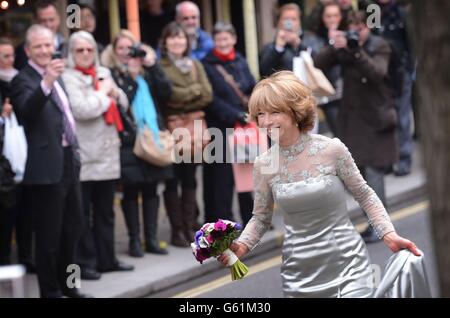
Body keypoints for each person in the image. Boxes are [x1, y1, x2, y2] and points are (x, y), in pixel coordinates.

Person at [218, 71, 421, 298]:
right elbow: (261, 218)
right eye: (260, 114)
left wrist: (388, 234)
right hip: (299, 275)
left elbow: (365, 195)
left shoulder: (332, 149)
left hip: (349, 266)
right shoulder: (264, 163)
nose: (265, 121)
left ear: (295, 112)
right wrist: (241, 246)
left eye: (274, 112)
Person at [10, 25, 89, 298]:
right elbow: (26, 112)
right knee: (48, 237)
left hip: (69, 160)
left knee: (73, 229)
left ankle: (70, 285)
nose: (45, 51)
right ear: (28, 50)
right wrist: (46, 82)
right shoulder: (23, 79)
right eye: (39, 47)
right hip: (45, 167)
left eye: (48, 45)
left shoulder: (59, 77)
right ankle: (50, 291)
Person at [314, 10, 399, 243]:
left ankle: (381, 225)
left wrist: (356, 51)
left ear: (367, 28)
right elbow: (318, 62)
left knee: (374, 172)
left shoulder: (379, 46)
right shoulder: (343, 48)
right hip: (352, 121)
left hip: (376, 118)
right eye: (351, 29)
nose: (355, 33)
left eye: (359, 29)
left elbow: (377, 73)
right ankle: (373, 221)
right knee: (358, 175)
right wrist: (335, 44)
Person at [62, 31, 134, 280]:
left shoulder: (103, 72)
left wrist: (115, 94)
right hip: (84, 155)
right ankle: (86, 263)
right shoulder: (68, 77)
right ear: (72, 53)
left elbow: (123, 102)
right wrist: (104, 94)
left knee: (106, 212)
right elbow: (82, 109)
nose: (85, 54)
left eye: (89, 49)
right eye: (79, 50)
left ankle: (108, 259)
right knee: (82, 214)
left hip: (107, 153)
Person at [101, 30, 172, 257]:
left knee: (152, 188)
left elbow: (166, 92)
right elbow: (121, 106)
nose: (125, 53)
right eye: (120, 48)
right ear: (113, 51)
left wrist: (151, 65)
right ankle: (134, 241)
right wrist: (130, 80)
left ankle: (150, 239)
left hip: (151, 138)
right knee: (131, 191)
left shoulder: (146, 73)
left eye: (129, 48)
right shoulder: (110, 74)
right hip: (127, 140)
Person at [159, 22, 212, 247]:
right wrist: (192, 92)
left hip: (194, 127)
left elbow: (207, 94)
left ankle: (190, 226)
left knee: (190, 178)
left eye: (181, 38)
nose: (177, 41)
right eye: (172, 38)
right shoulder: (160, 66)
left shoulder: (195, 64)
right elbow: (168, 95)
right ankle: (176, 230)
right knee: (172, 178)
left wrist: (185, 96)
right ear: (165, 41)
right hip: (172, 127)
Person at [201, 22, 256, 226]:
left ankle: (249, 219)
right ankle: (223, 222)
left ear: (234, 39)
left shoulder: (240, 60)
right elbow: (211, 99)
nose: (223, 43)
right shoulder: (206, 64)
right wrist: (235, 114)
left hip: (244, 127)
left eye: (226, 38)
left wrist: (251, 105)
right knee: (222, 179)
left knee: (245, 174)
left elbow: (251, 84)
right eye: (219, 39)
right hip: (221, 127)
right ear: (214, 41)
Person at [0, 37, 35, 272]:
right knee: (6, 213)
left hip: (23, 150)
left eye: (11, 55)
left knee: (26, 210)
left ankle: (25, 257)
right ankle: (4, 261)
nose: (9, 60)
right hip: (4, 160)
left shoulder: (21, 78)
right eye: (4, 56)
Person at [373, 0, 414, 176]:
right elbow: (371, 39)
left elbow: (411, 44)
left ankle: (404, 158)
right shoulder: (372, 12)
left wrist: (409, 69)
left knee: (402, 118)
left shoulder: (401, 12)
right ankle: (389, 159)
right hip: (380, 72)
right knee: (383, 118)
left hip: (400, 72)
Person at [15, 0, 67, 70]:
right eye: (43, 21)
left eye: (51, 20)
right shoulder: (22, 51)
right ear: (35, 21)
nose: (48, 25)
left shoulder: (68, 45)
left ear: (58, 19)